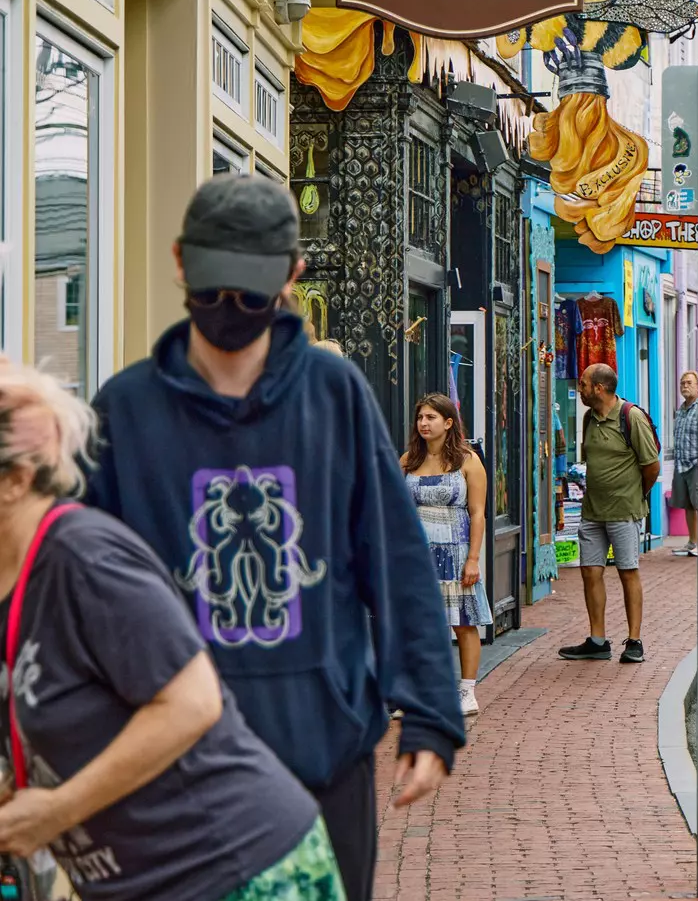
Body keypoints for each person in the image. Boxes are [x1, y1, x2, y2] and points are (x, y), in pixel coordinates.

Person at [85, 176, 459, 901]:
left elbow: (397, 557)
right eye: (214, 285)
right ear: (179, 263)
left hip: (321, 760)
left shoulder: (335, 392)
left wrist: (432, 715)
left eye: (249, 289)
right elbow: (74, 583)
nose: (230, 307)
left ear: (291, 274)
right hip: (168, 776)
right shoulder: (122, 412)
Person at [0, 357, 349, 899]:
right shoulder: (13, 578)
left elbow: (191, 703)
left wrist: (55, 812)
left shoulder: (84, 558)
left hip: (239, 871)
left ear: (15, 481)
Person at [557, 364, 659, 665]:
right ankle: (598, 640)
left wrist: (636, 493)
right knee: (590, 571)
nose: (581, 389)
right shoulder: (590, 418)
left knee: (627, 571)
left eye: (585, 385)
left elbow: (651, 465)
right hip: (592, 510)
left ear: (599, 388)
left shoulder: (631, 417)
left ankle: (635, 640)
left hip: (624, 509)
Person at [401, 394, 489, 718]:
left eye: (431, 418)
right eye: (421, 417)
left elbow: (478, 513)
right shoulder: (408, 460)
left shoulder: (468, 461)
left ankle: (466, 690)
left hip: (455, 547)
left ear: (448, 423)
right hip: (417, 552)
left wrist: (473, 558)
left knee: (463, 622)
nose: (424, 423)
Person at [668, 370, 698, 558]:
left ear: (697, 386)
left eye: (689, 383)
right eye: (682, 383)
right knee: (687, 505)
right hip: (681, 464)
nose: (685, 386)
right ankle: (692, 541)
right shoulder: (680, 409)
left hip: (697, 463)